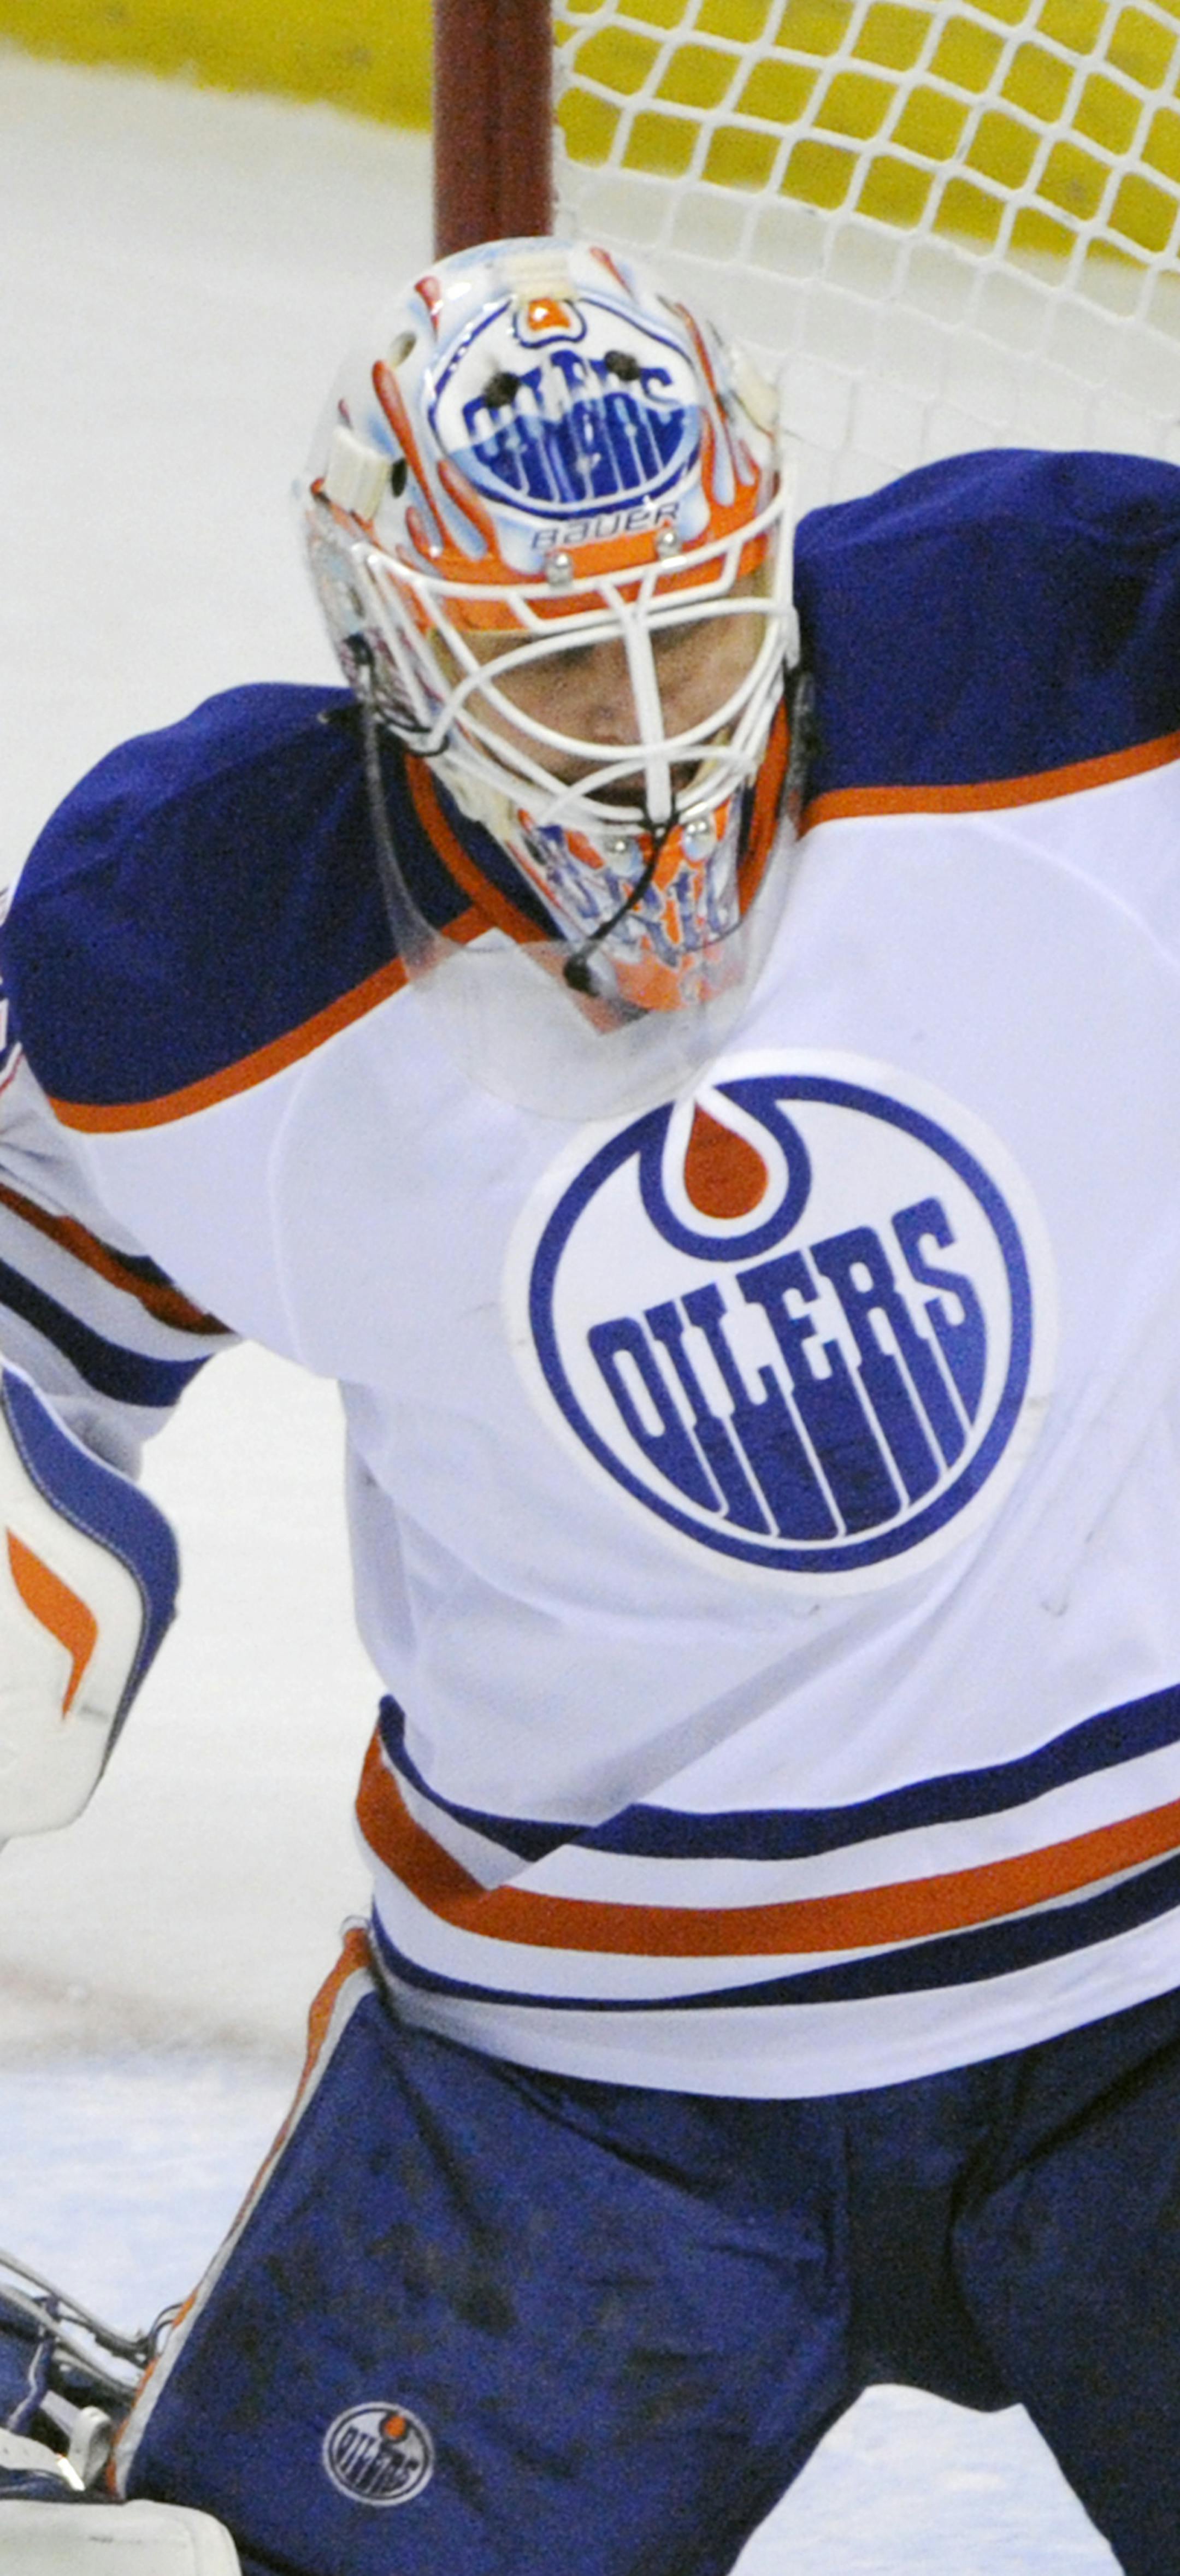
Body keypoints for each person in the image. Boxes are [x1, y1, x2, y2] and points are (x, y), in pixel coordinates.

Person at [2, 231, 1180, 2576]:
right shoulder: (209, 954)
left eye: (700, 632)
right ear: (388, 659)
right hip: (588, 2081)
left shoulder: (1085, 666)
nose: (646, 733)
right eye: (552, 666)